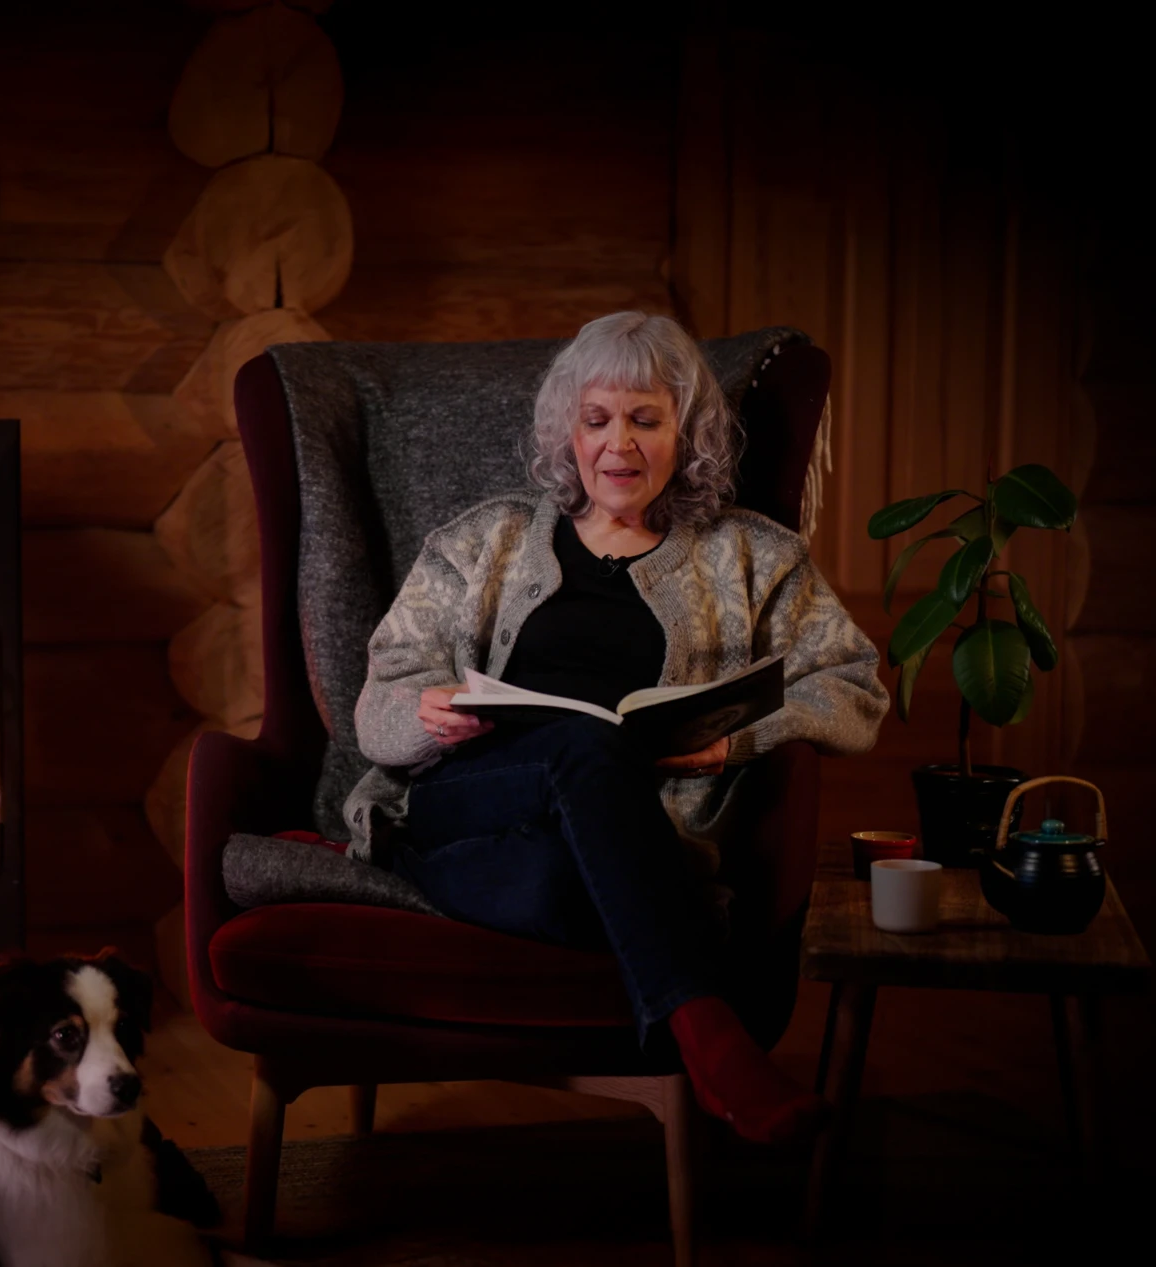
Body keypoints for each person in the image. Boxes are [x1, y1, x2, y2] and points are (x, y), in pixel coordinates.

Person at [342, 312, 889, 1144]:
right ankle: (713, 1038)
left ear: (689, 432)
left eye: (645, 419)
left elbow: (854, 684)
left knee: (570, 874)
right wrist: (422, 712)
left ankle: (511, 889)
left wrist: (739, 739)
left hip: (588, 841)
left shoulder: (752, 558)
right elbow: (383, 689)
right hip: (468, 793)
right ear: (569, 431)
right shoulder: (483, 541)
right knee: (584, 741)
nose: (617, 445)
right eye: (596, 420)